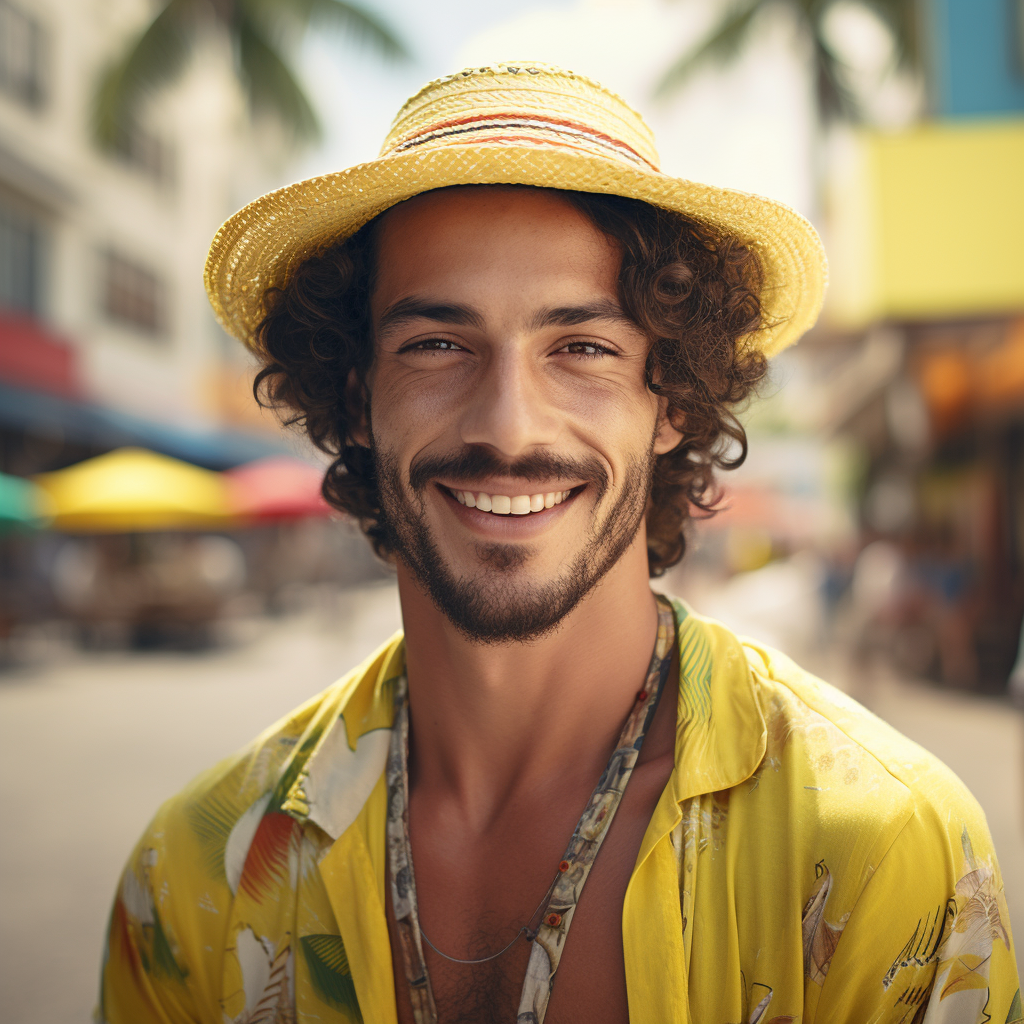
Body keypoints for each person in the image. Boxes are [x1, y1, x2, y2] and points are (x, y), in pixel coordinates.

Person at [97, 63, 1019, 1024]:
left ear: (671, 402)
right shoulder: (196, 883)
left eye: (582, 348)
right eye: (436, 345)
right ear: (356, 392)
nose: (508, 425)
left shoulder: (878, 849)